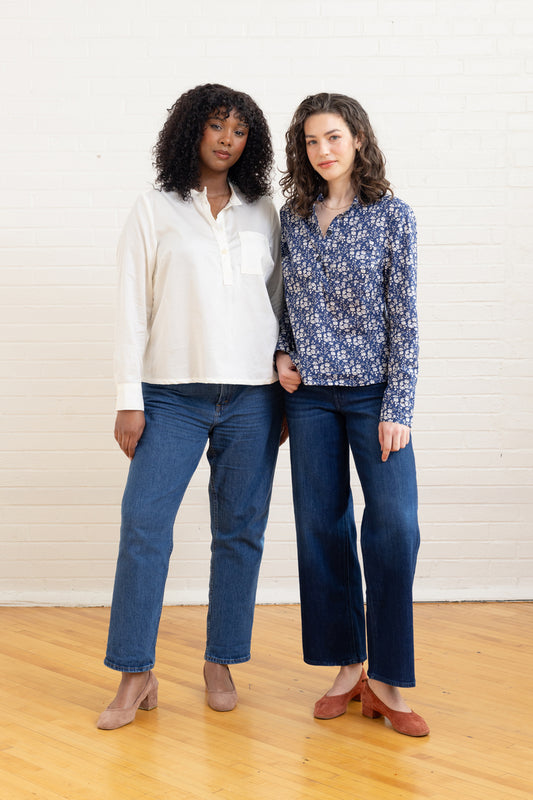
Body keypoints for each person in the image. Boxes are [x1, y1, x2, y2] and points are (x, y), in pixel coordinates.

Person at [97, 84, 284, 730]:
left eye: (239, 130)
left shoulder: (265, 211)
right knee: (143, 525)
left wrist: (285, 392)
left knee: (240, 534)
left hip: (253, 399)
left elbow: (281, 307)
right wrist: (129, 398)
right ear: (191, 132)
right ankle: (135, 672)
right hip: (170, 395)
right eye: (216, 126)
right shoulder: (154, 209)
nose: (227, 139)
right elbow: (129, 307)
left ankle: (221, 660)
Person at [275, 93, 429, 737]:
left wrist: (398, 405)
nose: (323, 150)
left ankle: (388, 680)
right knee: (321, 526)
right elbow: (284, 300)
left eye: (333, 136)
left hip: (372, 398)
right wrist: (283, 350)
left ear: (358, 139)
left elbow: (406, 318)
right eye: (311, 141)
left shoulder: (393, 217)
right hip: (308, 396)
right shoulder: (291, 218)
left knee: (394, 526)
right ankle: (346, 667)